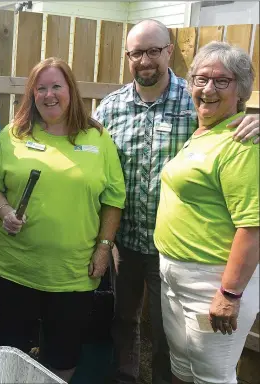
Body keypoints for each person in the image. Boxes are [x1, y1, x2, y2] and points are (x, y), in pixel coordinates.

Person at [93, 19, 260, 384]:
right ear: (128, 58)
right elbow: (89, 157)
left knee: (171, 340)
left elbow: (238, 143)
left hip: (190, 257)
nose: (146, 60)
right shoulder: (109, 108)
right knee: (125, 321)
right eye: (137, 53)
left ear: (170, 51)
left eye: (154, 50)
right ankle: (127, 377)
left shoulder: (197, 98)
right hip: (129, 240)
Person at [0, 57, 126, 382]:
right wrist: (5, 212)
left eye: (56, 86)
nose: (49, 95)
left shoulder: (97, 139)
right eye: (41, 88)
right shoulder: (13, 135)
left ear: (70, 91)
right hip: (14, 270)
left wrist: (104, 248)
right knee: (13, 353)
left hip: (72, 275)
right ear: (32, 95)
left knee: (64, 355)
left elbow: (114, 200)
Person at [154, 41, 259, 384]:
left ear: (241, 90)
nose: (208, 89)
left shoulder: (242, 142)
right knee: (183, 368)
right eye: (200, 80)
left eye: (221, 81)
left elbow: (253, 225)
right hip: (176, 275)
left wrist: (229, 295)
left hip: (212, 282)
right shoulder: (203, 133)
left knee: (212, 376)